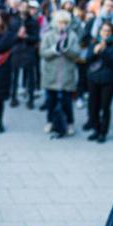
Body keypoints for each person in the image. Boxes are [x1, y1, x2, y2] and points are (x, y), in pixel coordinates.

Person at [40, 10, 80, 138]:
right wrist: (54, 50)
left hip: (67, 74)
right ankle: (50, 121)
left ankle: (70, 123)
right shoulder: (48, 35)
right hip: (51, 73)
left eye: (65, 23)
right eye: (60, 22)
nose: (63, 25)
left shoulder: (72, 36)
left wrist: (67, 50)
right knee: (50, 100)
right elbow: (43, 53)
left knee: (67, 101)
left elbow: (76, 54)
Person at [84, 22, 113, 143]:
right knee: (92, 106)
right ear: (99, 31)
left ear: (112, 32)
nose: (105, 33)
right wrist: (95, 52)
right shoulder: (94, 42)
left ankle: (103, 132)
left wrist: (104, 51)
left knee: (105, 107)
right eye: (103, 30)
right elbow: (87, 59)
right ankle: (96, 129)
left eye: (108, 31)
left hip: (108, 79)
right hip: (93, 78)